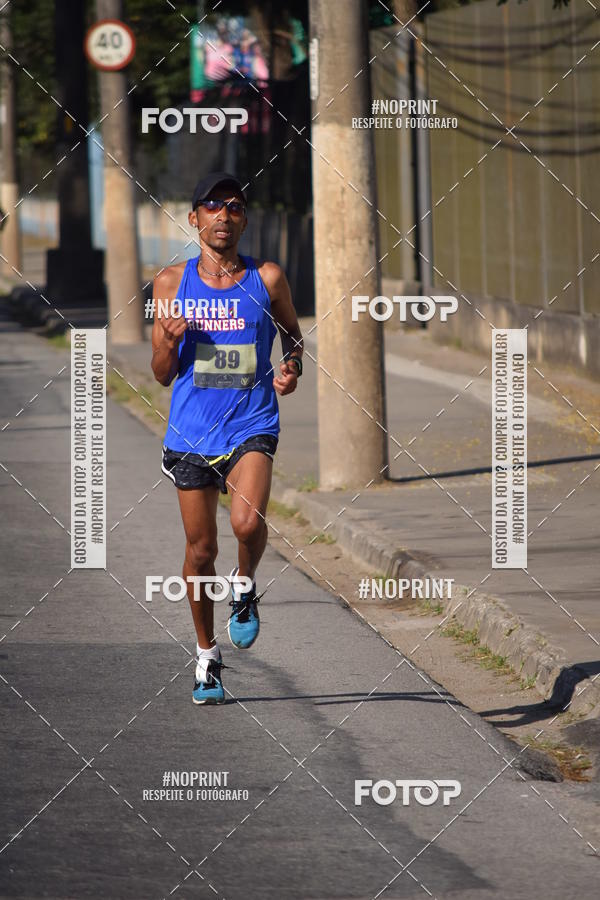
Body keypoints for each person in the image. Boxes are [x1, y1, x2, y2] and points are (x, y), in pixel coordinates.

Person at [151, 172, 303, 705]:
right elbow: (161, 373)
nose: (223, 215)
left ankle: (245, 583)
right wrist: (169, 345)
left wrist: (291, 365)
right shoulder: (171, 282)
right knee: (200, 548)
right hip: (191, 431)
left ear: (244, 219)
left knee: (246, 521)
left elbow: (292, 333)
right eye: (212, 206)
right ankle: (206, 656)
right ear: (194, 218)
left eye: (234, 207)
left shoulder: (268, 277)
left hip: (251, 423)